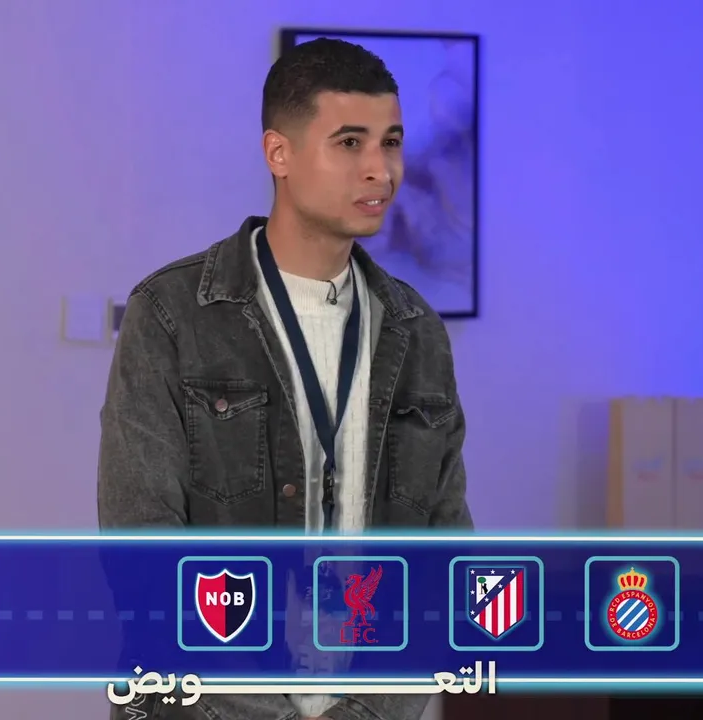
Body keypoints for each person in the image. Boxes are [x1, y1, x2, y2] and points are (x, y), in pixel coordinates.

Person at [98, 38, 472, 720]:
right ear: (279, 153)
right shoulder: (173, 314)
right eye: (350, 142)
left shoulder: (417, 332)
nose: (380, 169)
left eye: (390, 143)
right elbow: (142, 550)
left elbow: (444, 563)